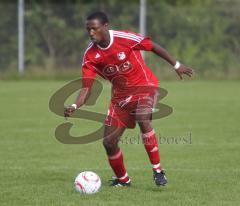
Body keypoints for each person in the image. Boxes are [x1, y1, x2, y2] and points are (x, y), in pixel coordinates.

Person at [64, 11, 193, 187]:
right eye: (88, 30)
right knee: (109, 143)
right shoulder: (90, 56)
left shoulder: (124, 38)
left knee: (142, 117)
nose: (91, 33)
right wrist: (74, 105)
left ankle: (158, 170)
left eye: (94, 29)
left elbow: (153, 46)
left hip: (145, 86)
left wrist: (176, 65)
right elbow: (87, 88)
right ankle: (124, 181)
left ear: (105, 26)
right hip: (120, 98)